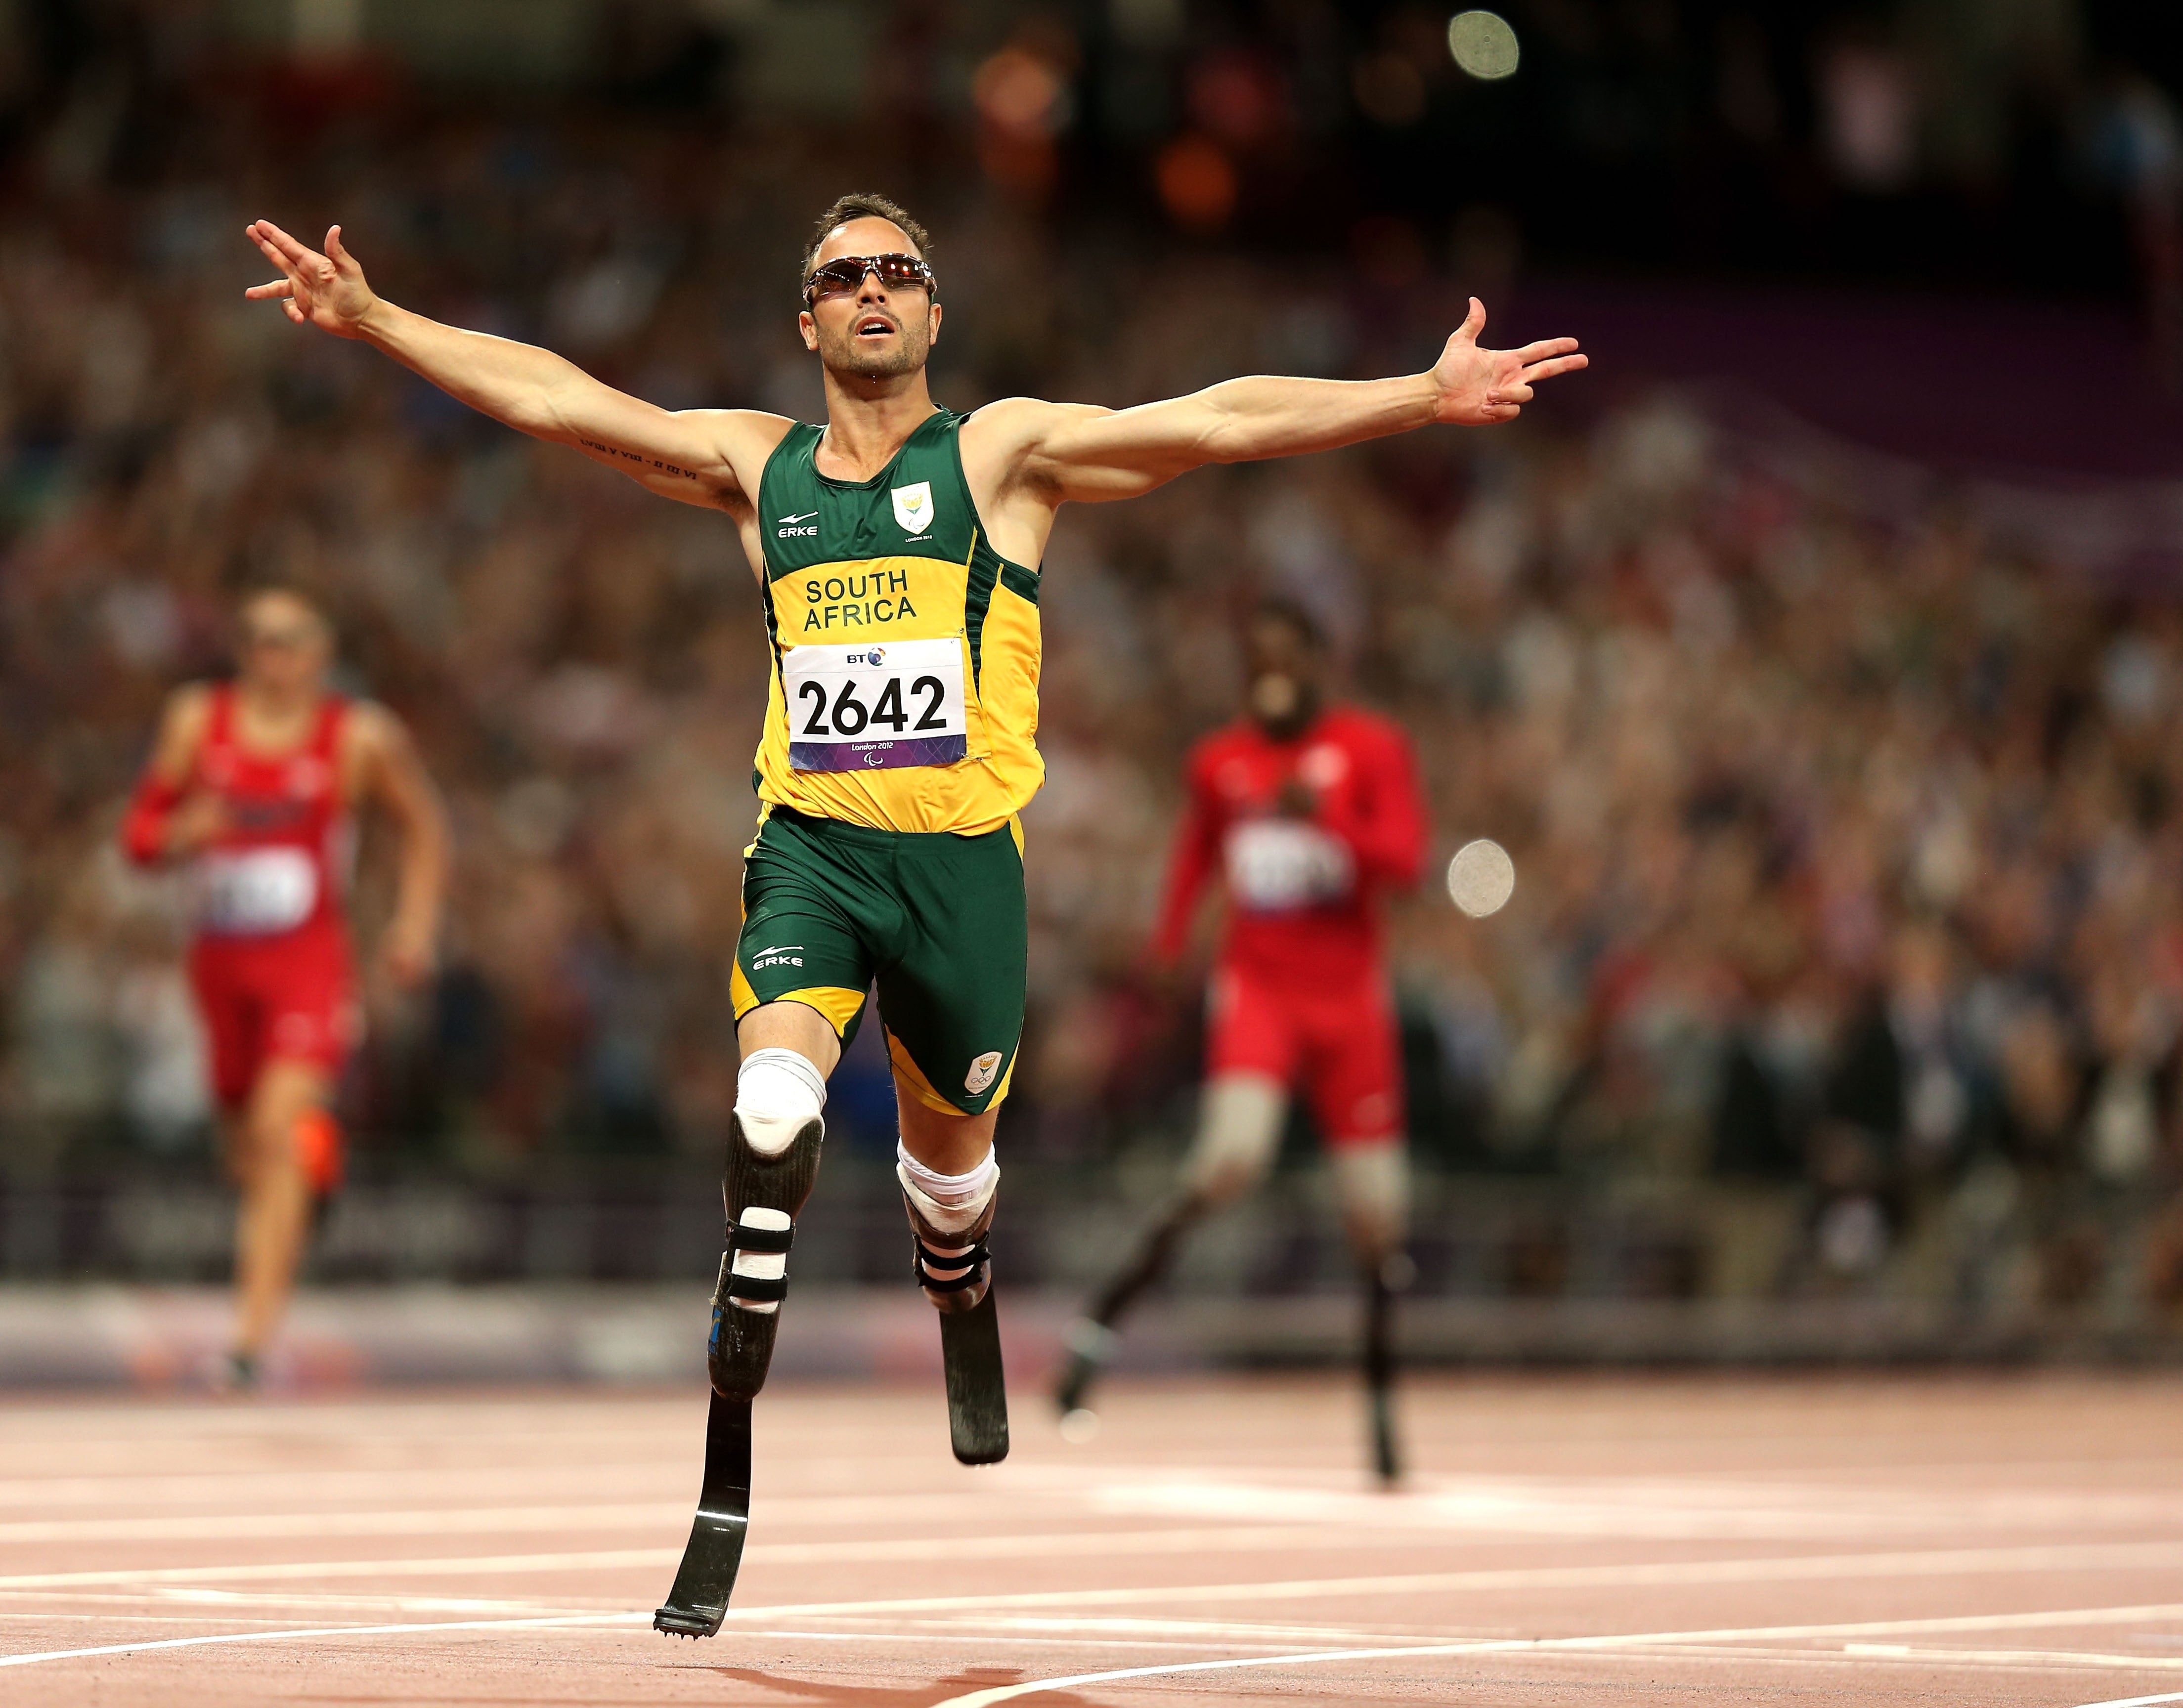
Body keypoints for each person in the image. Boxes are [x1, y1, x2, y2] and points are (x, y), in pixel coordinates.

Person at [241, 192, 1581, 1629]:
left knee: (952, 1181)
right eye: (843, 276)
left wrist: (1415, 395)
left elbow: (1215, 421)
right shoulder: (757, 469)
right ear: (806, 319)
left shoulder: (1000, 457)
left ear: (934, 311)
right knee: (772, 1115)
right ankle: (728, 1449)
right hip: (812, 855)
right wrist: (377, 318)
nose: (872, 289)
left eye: (898, 272)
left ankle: (960, 1271)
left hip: (962, 879)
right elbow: (562, 401)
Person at [1053, 599, 1427, 1480]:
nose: (1273, 679)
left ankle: (1381, 1399)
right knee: (1229, 1159)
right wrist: (1168, 947)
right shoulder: (1220, 763)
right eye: (1258, 663)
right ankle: (1102, 1322)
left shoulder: (1369, 748)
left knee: (1378, 1211)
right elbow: (1196, 855)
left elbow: (1407, 861)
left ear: (1318, 667)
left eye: (1288, 661)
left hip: (1349, 1002)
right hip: (1260, 990)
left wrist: (1327, 819)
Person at [121, 587, 449, 1389]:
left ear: (322, 653)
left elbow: (424, 825)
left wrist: (413, 926)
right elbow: (138, 838)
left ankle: (248, 1344)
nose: (274, 656)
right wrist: (181, 832)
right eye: (259, 639)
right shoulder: (196, 721)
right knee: (246, 1152)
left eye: (291, 640)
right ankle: (316, 1167)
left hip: (307, 965)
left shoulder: (357, 736)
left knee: (276, 1131)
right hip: (220, 969)